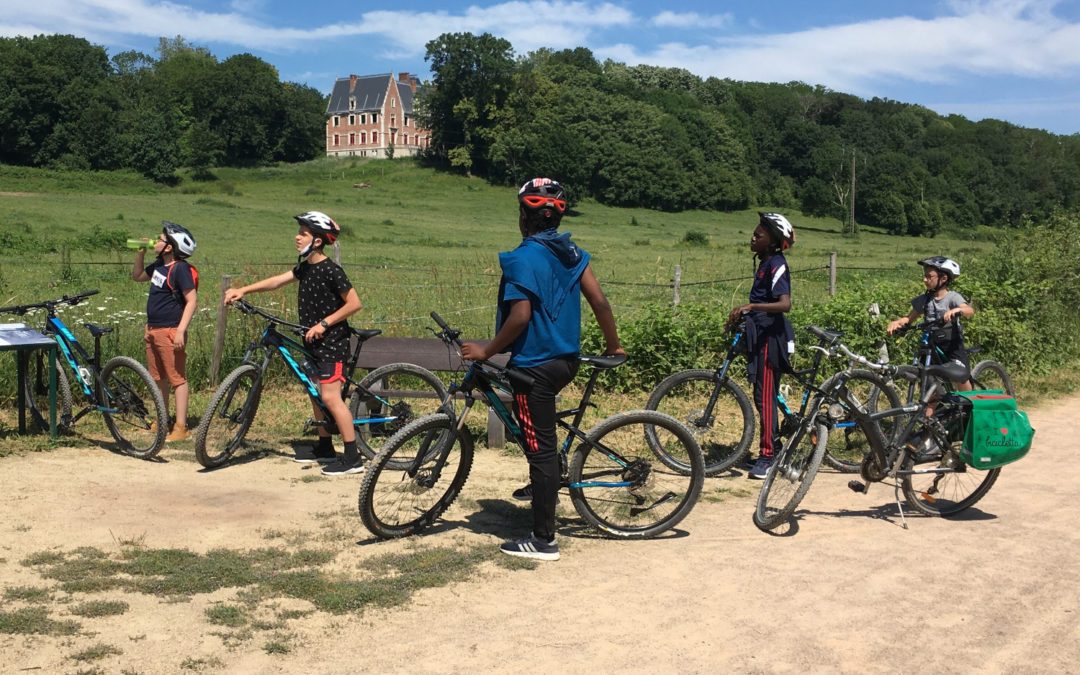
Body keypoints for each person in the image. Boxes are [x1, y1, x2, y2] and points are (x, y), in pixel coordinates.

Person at [460, 178, 623, 562]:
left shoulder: (521, 259)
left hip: (534, 367)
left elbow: (520, 317)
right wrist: (614, 344)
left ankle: (543, 539)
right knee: (539, 438)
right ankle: (544, 484)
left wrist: (486, 351)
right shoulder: (571, 254)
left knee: (540, 452)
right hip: (564, 361)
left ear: (523, 216)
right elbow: (600, 302)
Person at [223, 211, 364, 476]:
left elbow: (354, 304)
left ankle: (353, 457)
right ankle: (324, 446)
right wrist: (244, 290)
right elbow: (277, 281)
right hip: (312, 342)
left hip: (332, 343)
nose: (297, 237)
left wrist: (324, 323)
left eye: (304, 233)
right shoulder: (306, 267)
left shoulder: (332, 270)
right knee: (315, 393)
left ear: (318, 241)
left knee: (331, 397)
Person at [727, 213, 796, 480]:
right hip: (759, 334)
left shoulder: (777, 264)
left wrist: (751, 306)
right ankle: (773, 446)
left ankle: (769, 456)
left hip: (771, 338)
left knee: (765, 397)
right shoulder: (765, 263)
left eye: (758, 235)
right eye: (754, 234)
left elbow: (784, 304)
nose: (752, 238)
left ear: (772, 242)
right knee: (761, 395)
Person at [132, 221, 198, 442]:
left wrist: (181, 330)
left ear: (170, 246)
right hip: (152, 329)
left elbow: (191, 301)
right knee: (158, 377)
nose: (156, 241)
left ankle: (181, 427)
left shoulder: (180, 269)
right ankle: (162, 420)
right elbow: (138, 276)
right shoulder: (159, 266)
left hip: (170, 330)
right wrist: (140, 253)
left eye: (160, 239)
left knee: (176, 378)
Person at [887, 256, 974, 392]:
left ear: (943, 279)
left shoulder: (952, 297)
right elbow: (909, 318)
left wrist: (958, 310)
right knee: (927, 382)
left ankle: (971, 404)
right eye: (924, 276)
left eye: (929, 276)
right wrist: (897, 322)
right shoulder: (925, 300)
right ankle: (927, 412)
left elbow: (969, 310)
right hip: (930, 343)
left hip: (951, 343)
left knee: (960, 376)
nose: (925, 279)